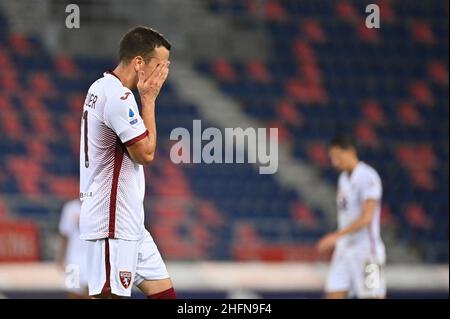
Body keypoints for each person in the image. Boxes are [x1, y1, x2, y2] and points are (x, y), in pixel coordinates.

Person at [79, 26, 175, 298]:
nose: (163, 74)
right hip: (112, 223)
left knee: (165, 294)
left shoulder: (100, 87)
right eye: (159, 65)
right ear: (139, 63)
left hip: (129, 222)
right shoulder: (119, 98)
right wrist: (149, 100)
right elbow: (145, 154)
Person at [317, 136, 386, 299]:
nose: (335, 162)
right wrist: (340, 238)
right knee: (333, 294)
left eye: (338, 156)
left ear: (351, 152)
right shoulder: (343, 179)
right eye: (332, 157)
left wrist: (336, 235)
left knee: (372, 296)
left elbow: (367, 217)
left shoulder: (368, 177)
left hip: (367, 251)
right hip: (344, 249)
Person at [57, 198, 89, 299]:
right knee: (73, 292)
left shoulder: (96, 207)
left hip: (90, 259)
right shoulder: (70, 208)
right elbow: (65, 234)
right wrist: (60, 258)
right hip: (73, 259)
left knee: (90, 292)